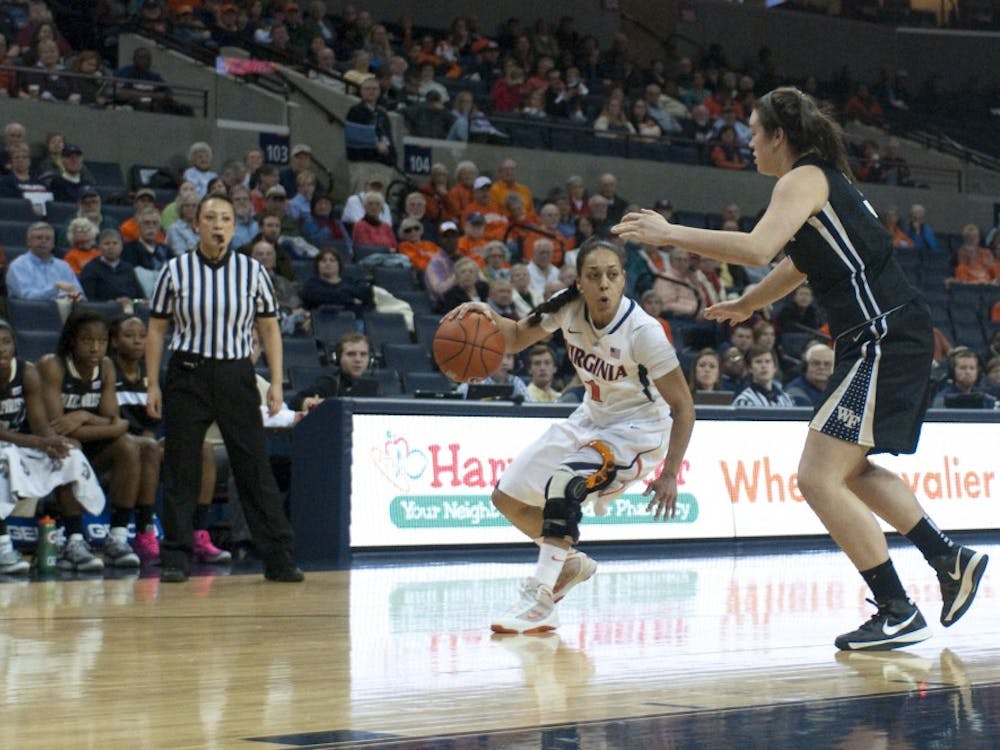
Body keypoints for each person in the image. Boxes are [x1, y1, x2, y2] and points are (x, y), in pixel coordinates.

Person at [613, 85, 988, 651]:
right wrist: (749, 302)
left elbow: (758, 248)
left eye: (754, 133)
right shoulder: (820, 181)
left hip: (881, 333)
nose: (748, 143)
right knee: (848, 472)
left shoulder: (803, 178)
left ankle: (898, 607)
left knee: (817, 477)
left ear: (778, 136)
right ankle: (948, 559)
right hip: (885, 332)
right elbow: (798, 263)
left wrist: (669, 233)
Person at [443, 239, 695, 632]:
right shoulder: (566, 306)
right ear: (579, 282)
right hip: (590, 416)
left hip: (638, 430)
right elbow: (514, 338)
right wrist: (486, 314)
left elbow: (683, 407)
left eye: (612, 275)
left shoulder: (644, 332)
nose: (603, 284)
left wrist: (670, 473)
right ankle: (568, 563)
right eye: (593, 276)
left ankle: (541, 598)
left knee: (564, 483)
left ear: (623, 280)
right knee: (506, 497)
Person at [145, 194, 303, 583]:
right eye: (210, 218)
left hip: (235, 374)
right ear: (196, 224)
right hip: (188, 373)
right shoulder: (175, 270)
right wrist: (152, 384)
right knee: (182, 466)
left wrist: (276, 382)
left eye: (225, 219)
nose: (218, 225)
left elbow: (269, 329)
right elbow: (157, 329)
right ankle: (176, 556)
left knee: (253, 466)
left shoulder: (253, 271)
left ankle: (279, 557)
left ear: (235, 227)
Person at [38, 310, 153, 569]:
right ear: (72, 340)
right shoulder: (52, 365)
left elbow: (115, 421)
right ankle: (74, 540)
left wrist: (82, 415)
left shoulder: (106, 366)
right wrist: (107, 426)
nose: (95, 348)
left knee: (128, 446)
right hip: (46, 451)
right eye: (87, 340)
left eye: (101, 341)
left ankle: (118, 537)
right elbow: (57, 429)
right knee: (69, 448)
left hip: (90, 447)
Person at [0, 319, 106, 574]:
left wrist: (54, 441)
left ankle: (75, 540)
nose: (1, 348)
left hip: (20, 444)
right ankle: (3, 546)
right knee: (2, 458)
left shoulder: (26, 372)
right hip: (9, 446)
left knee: (67, 455)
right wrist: (41, 442)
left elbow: (40, 424)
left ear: (15, 345)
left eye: (6, 342)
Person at [290, 332, 378, 409]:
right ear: (338, 358)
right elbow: (295, 402)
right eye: (351, 354)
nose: (358, 360)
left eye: (363, 354)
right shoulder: (329, 384)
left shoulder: (373, 387)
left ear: (370, 359)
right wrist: (325, 404)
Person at [6, 222, 84, 301]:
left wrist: (77, 296)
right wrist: (55, 288)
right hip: (32, 308)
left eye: (48, 239)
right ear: (28, 241)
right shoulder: (18, 265)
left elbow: (79, 293)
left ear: (53, 244)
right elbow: (26, 296)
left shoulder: (63, 266)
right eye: (39, 238)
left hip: (65, 308)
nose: (43, 241)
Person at [80, 229, 146, 304]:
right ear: (99, 247)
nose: (111, 247)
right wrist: (111, 304)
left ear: (121, 246)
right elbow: (88, 300)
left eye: (115, 243)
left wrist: (132, 302)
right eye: (107, 244)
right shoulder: (90, 269)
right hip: (103, 309)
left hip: (130, 308)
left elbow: (142, 298)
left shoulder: (128, 268)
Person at [784, 343, 835, 407]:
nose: (822, 367)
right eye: (816, 363)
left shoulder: (837, 387)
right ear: (806, 366)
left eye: (827, 364)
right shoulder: (794, 390)